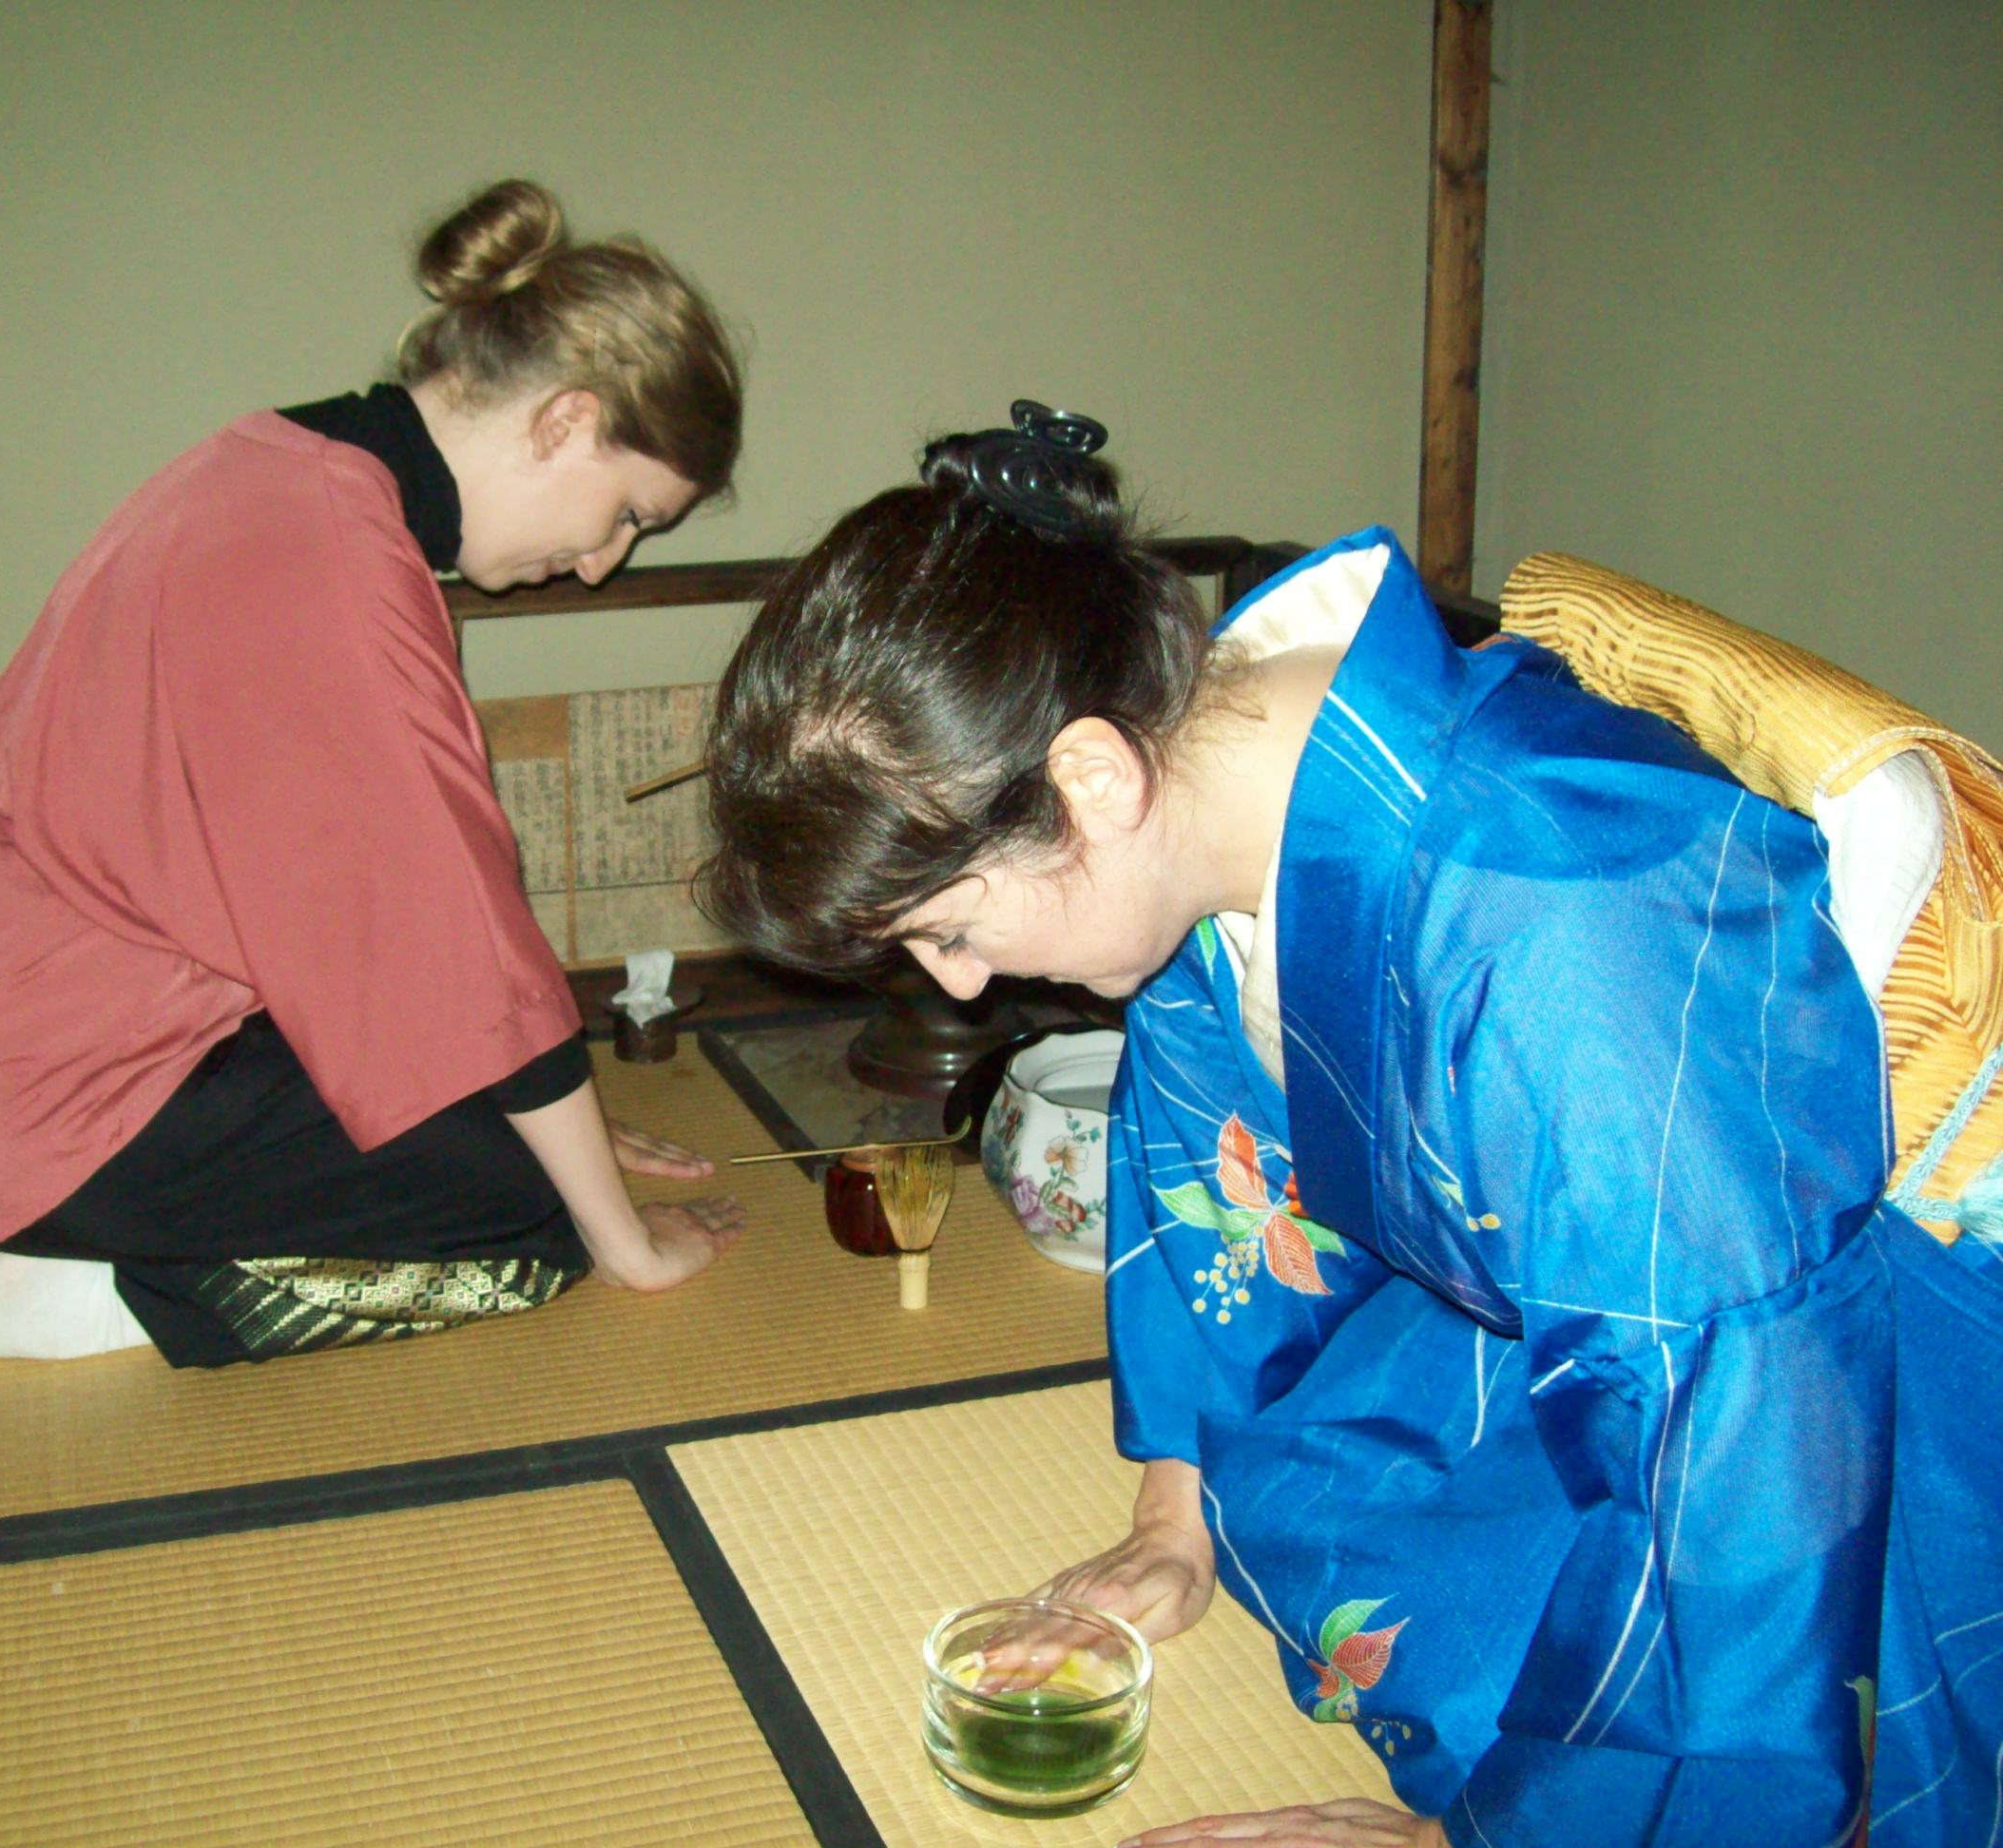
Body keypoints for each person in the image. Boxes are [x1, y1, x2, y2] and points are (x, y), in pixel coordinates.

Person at [699, 404, 2001, 1846]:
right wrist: (1171, 1516)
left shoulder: (1570, 930)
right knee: (1304, 1509)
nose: (957, 982)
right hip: (1620, 1283)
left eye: (950, 926)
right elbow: (1213, 1175)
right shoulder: (1216, 757)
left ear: (1088, 779)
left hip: (1836, 1367)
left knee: (1625, 1715)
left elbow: (1739, 1444)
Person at [0, 180, 745, 1370]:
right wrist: (622, 1239)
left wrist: (569, 1123)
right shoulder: (336, 561)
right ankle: (79, 1293)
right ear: (565, 422)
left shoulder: (273, 465)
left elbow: (362, 946)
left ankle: (2, 1245)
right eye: (627, 515)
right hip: (42, 1079)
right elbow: (458, 938)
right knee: (530, 1222)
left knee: (486, 1128)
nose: (604, 565)